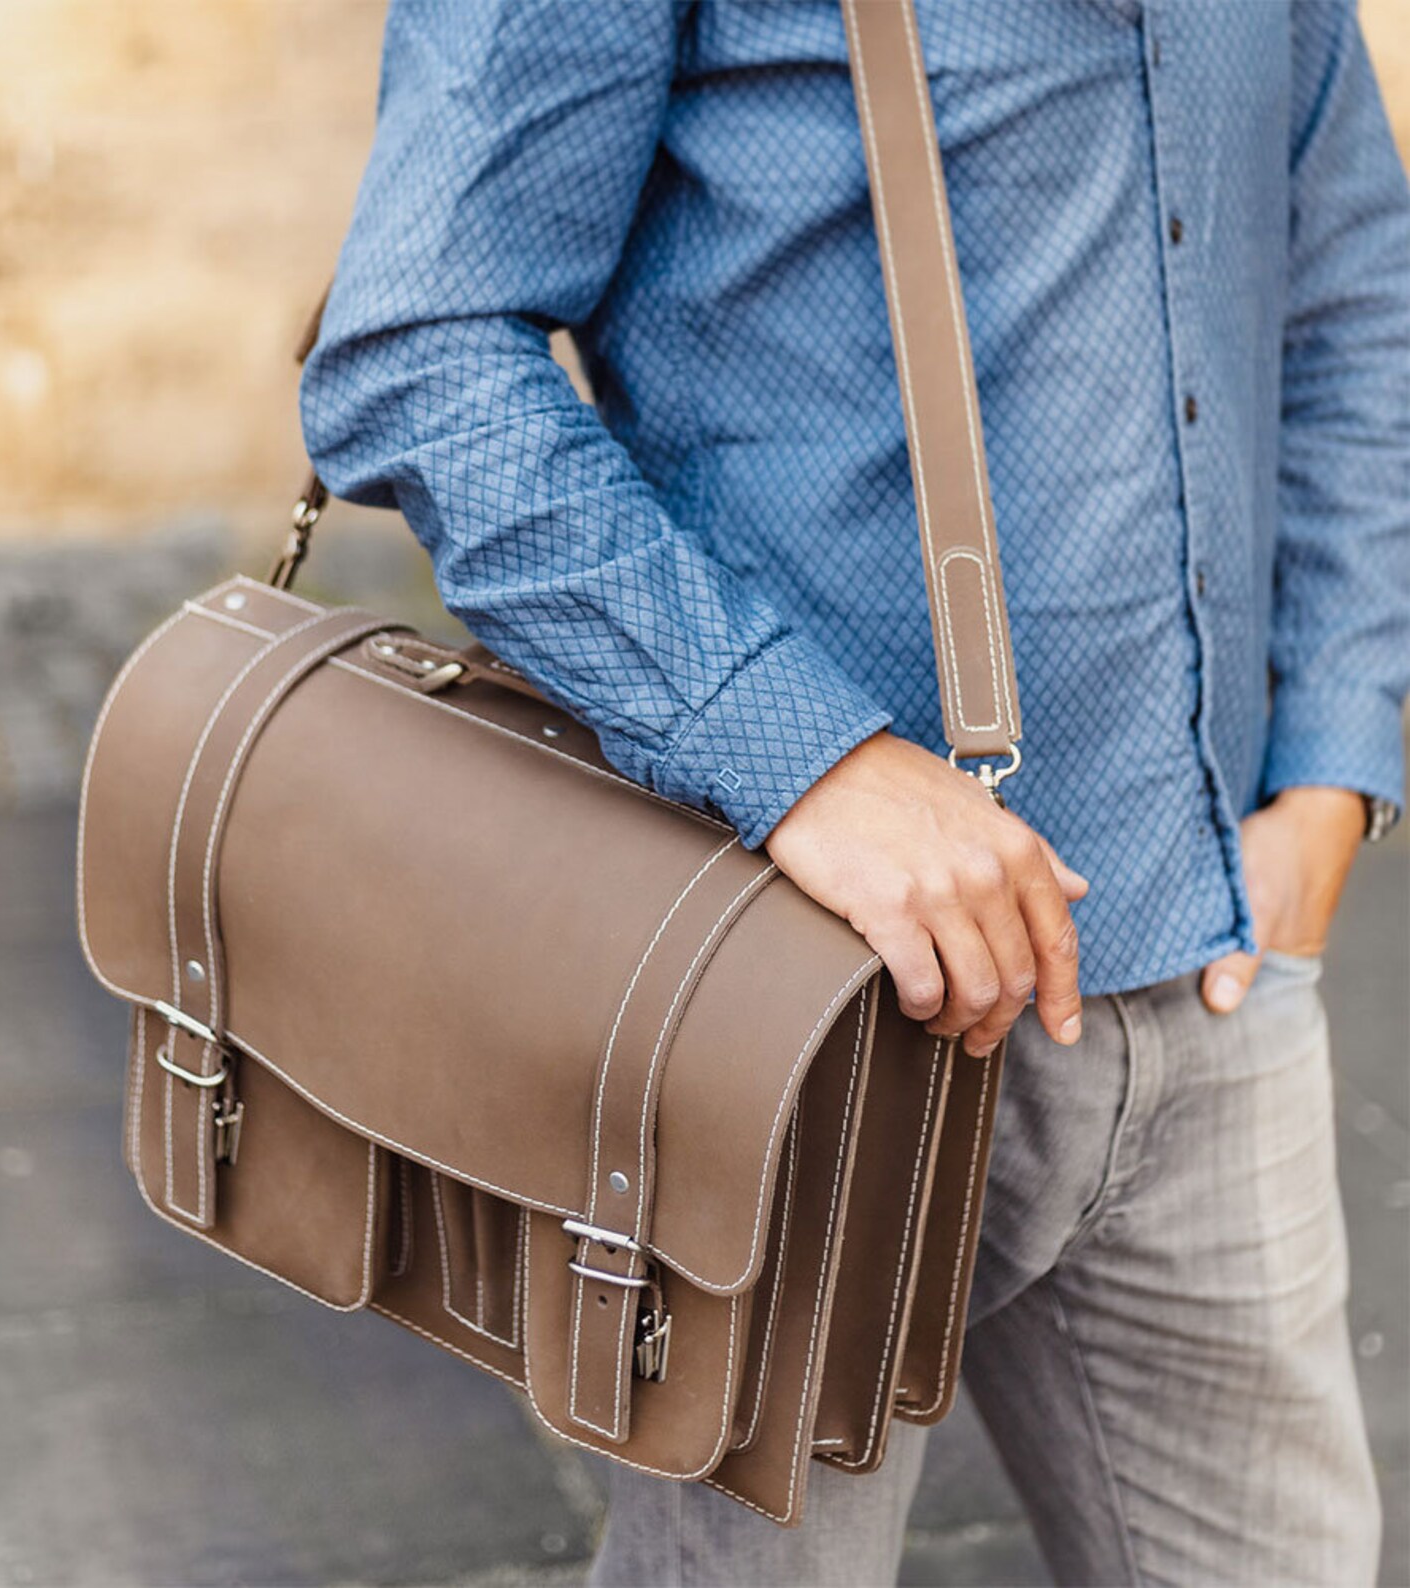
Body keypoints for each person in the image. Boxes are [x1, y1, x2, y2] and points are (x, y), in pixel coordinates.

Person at [299, 1, 1408, 1581]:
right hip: (806, 1016)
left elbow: (1352, 283)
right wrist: (801, 755)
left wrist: (1334, 767)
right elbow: (420, 356)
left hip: (1213, 970)